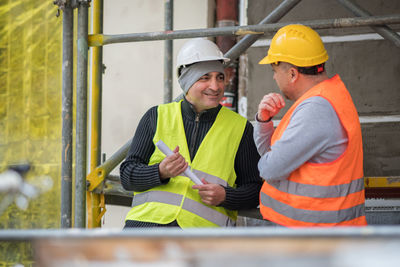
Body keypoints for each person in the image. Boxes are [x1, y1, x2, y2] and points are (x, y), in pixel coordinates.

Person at [120, 38, 262, 228]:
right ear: (186, 80)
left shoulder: (241, 128)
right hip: (145, 232)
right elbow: (127, 176)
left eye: (220, 77)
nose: (216, 86)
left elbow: (254, 190)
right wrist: (160, 171)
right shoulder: (156, 116)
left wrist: (226, 196)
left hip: (201, 241)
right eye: (205, 77)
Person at [254, 24, 367, 227]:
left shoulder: (316, 109)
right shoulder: (324, 98)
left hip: (318, 240)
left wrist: (269, 160)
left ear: (292, 74)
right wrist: (264, 122)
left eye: (274, 69)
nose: (273, 77)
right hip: (318, 235)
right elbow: (271, 156)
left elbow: (269, 168)